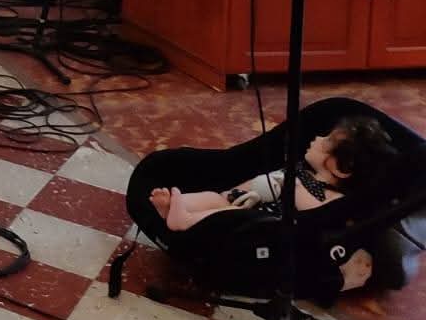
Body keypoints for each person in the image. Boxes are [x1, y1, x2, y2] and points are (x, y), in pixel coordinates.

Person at [151, 115, 395, 295]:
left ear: (343, 167)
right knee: (217, 198)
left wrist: (292, 187)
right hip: (251, 206)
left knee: (231, 214)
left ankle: (185, 220)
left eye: (327, 141)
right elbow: (265, 182)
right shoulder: (301, 172)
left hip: (263, 233)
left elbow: (318, 215)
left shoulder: (333, 198)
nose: (318, 138)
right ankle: (179, 205)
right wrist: (242, 191)